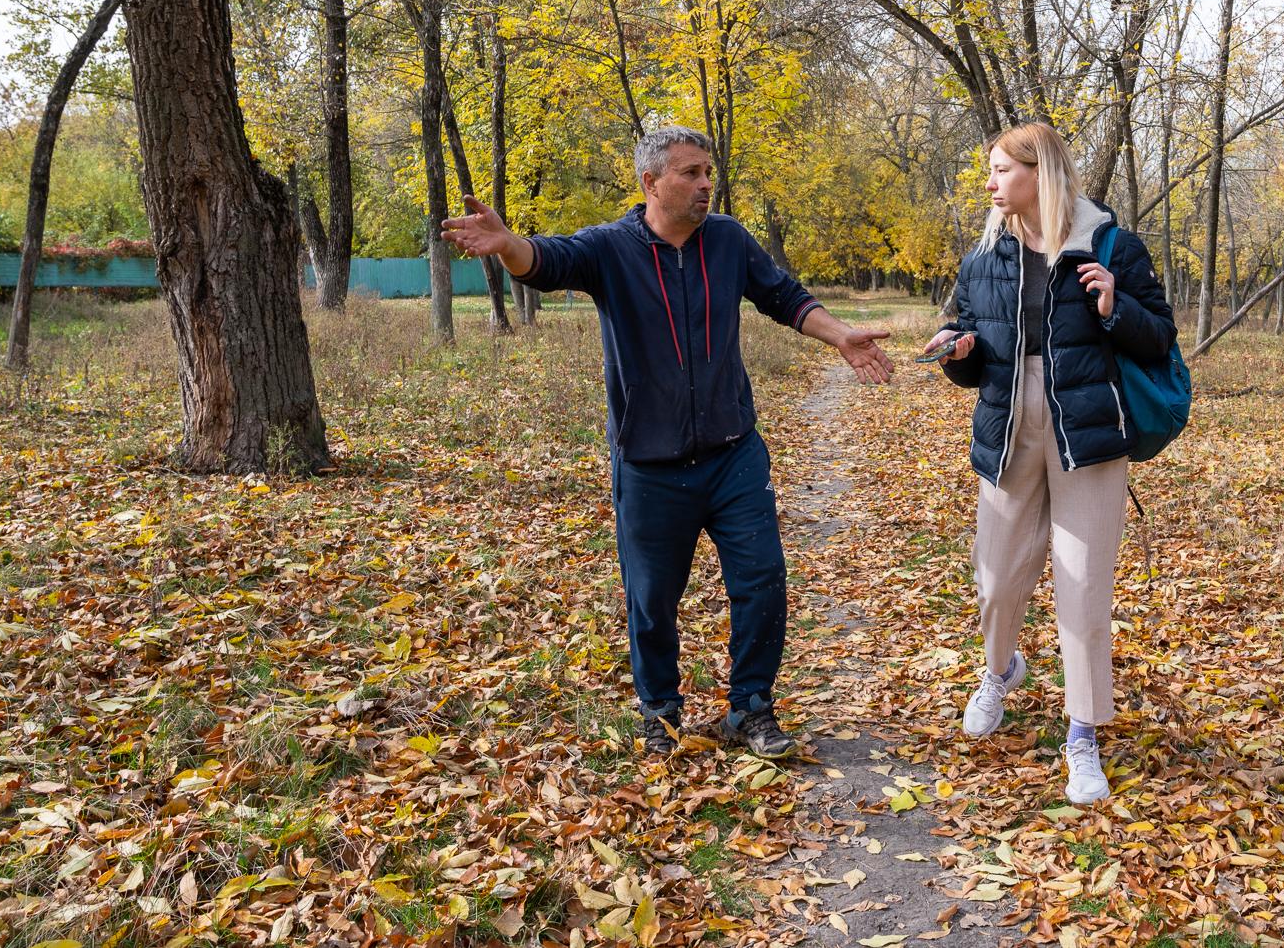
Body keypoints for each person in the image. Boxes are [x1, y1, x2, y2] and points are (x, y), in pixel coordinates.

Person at [442, 127, 893, 758]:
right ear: (651, 183)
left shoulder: (729, 240)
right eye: (690, 173)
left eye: (708, 171)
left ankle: (750, 709)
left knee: (763, 579)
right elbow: (546, 261)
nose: (706, 183)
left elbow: (782, 296)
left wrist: (840, 334)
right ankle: (661, 711)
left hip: (733, 452)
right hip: (649, 464)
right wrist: (507, 244)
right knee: (652, 599)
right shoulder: (609, 248)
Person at [921, 122, 1176, 805]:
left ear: (1040, 172)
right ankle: (1000, 669)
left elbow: (1160, 340)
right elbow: (972, 356)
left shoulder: (1114, 247)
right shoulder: (984, 259)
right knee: (997, 578)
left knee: (1084, 587)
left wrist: (1115, 306)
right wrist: (958, 350)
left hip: (1088, 432)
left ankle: (1082, 735)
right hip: (1009, 427)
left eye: (1002, 169)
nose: (990, 182)